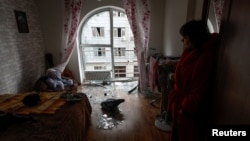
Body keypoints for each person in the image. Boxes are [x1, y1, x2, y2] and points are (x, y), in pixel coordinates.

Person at [167, 20, 219, 141]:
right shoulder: (191, 52)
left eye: (184, 37)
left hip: (188, 111)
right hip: (181, 103)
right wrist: (175, 77)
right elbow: (186, 77)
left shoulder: (204, 58)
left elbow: (199, 89)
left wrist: (184, 109)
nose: (182, 40)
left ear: (193, 38)